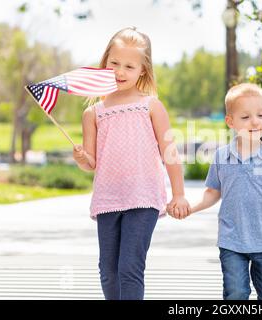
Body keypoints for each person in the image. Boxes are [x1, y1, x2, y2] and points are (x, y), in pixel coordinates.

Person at [72, 27, 191, 300]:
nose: (119, 71)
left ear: (143, 71)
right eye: (114, 63)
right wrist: (82, 158)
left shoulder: (151, 106)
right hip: (108, 198)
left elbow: (169, 151)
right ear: (104, 63)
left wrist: (179, 194)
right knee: (107, 270)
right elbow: (91, 163)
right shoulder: (93, 113)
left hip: (144, 196)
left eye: (129, 66)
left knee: (129, 267)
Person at [168, 83, 262, 300]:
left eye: (261, 115)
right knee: (236, 293)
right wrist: (192, 207)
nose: (255, 121)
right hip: (232, 241)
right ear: (230, 122)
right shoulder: (221, 156)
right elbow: (212, 192)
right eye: (245, 118)